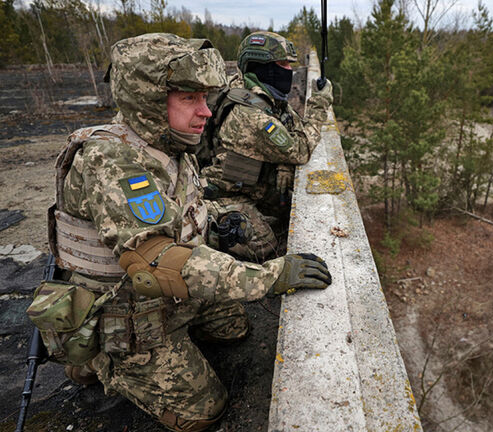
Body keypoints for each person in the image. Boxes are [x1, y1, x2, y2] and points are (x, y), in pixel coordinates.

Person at [47, 33, 331, 432]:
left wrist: (216, 219)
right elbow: (155, 263)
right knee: (203, 413)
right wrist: (271, 277)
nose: (206, 112)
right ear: (148, 100)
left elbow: (182, 210)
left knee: (235, 331)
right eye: (189, 99)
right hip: (130, 306)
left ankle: (172, 334)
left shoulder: (170, 145)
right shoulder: (113, 163)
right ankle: (105, 362)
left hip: (175, 294)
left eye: (204, 98)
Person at [200, 31, 333, 261]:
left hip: (251, 185)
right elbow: (301, 149)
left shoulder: (265, 97)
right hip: (225, 194)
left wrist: (283, 164)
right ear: (261, 67)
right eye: (282, 64)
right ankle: (209, 229)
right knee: (265, 246)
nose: (288, 71)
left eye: (290, 65)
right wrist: (319, 104)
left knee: (290, 210)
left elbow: (293, 128)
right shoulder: (250, 114)